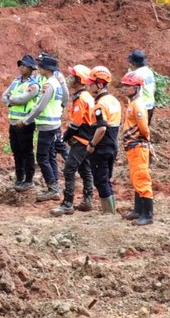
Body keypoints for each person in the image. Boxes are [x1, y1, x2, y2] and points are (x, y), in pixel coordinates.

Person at [54, 67, 100, 214]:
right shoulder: (86, 96)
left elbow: (76, 124)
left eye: (73, 76)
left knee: (69, 169)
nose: (70, 78)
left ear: (79, 80)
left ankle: (67, 203)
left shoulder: (81, 98)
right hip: (87, 139)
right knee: (85, 170)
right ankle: (88, 200)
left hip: (81, 140)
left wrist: (64, 136)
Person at [119, 70, 156, 226]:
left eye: (128, 86)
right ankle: (137, 210)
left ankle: (147, 214)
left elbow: (144, 128)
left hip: (138, 146)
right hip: (132, 147)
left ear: (136, 88)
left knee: (142, 178)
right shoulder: (133, 104)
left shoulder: (138, 106)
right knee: (136, 178)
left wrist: (147, 142)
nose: (124, 89)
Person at [86, 66, 122, 214]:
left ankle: (108, 212)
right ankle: (111, 210)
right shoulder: (114, 101)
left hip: (102, 147)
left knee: (100, 180)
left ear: (100, 84)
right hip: (112, 145)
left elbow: (101, 128)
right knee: (106, 178)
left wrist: (92, 144)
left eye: (92, 83)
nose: (89, 86)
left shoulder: (100, 104)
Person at [31, 54, 65, 203]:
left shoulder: (49, 84)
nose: (39, 68)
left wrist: (27, 120)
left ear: (46, 69)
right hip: (54, 124)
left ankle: (52, 188)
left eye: (41, 66)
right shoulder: (56, 82)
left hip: (47, 126)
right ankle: (54, 186)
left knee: (42, 157)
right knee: (50, 156)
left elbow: (40, 106)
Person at [5, 56, 41, 189]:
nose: (21, 67)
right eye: (20, 65)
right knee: (16, 151)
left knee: (26, 151)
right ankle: (19, 178)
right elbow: (4, 96)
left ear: (31, 69)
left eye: (24, 65)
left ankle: (29, 180)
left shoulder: (34, 85)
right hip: (13, 122)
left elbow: (23, 100)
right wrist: (14, 99)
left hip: (25, 123)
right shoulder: (16, 82)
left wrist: (11, 99)